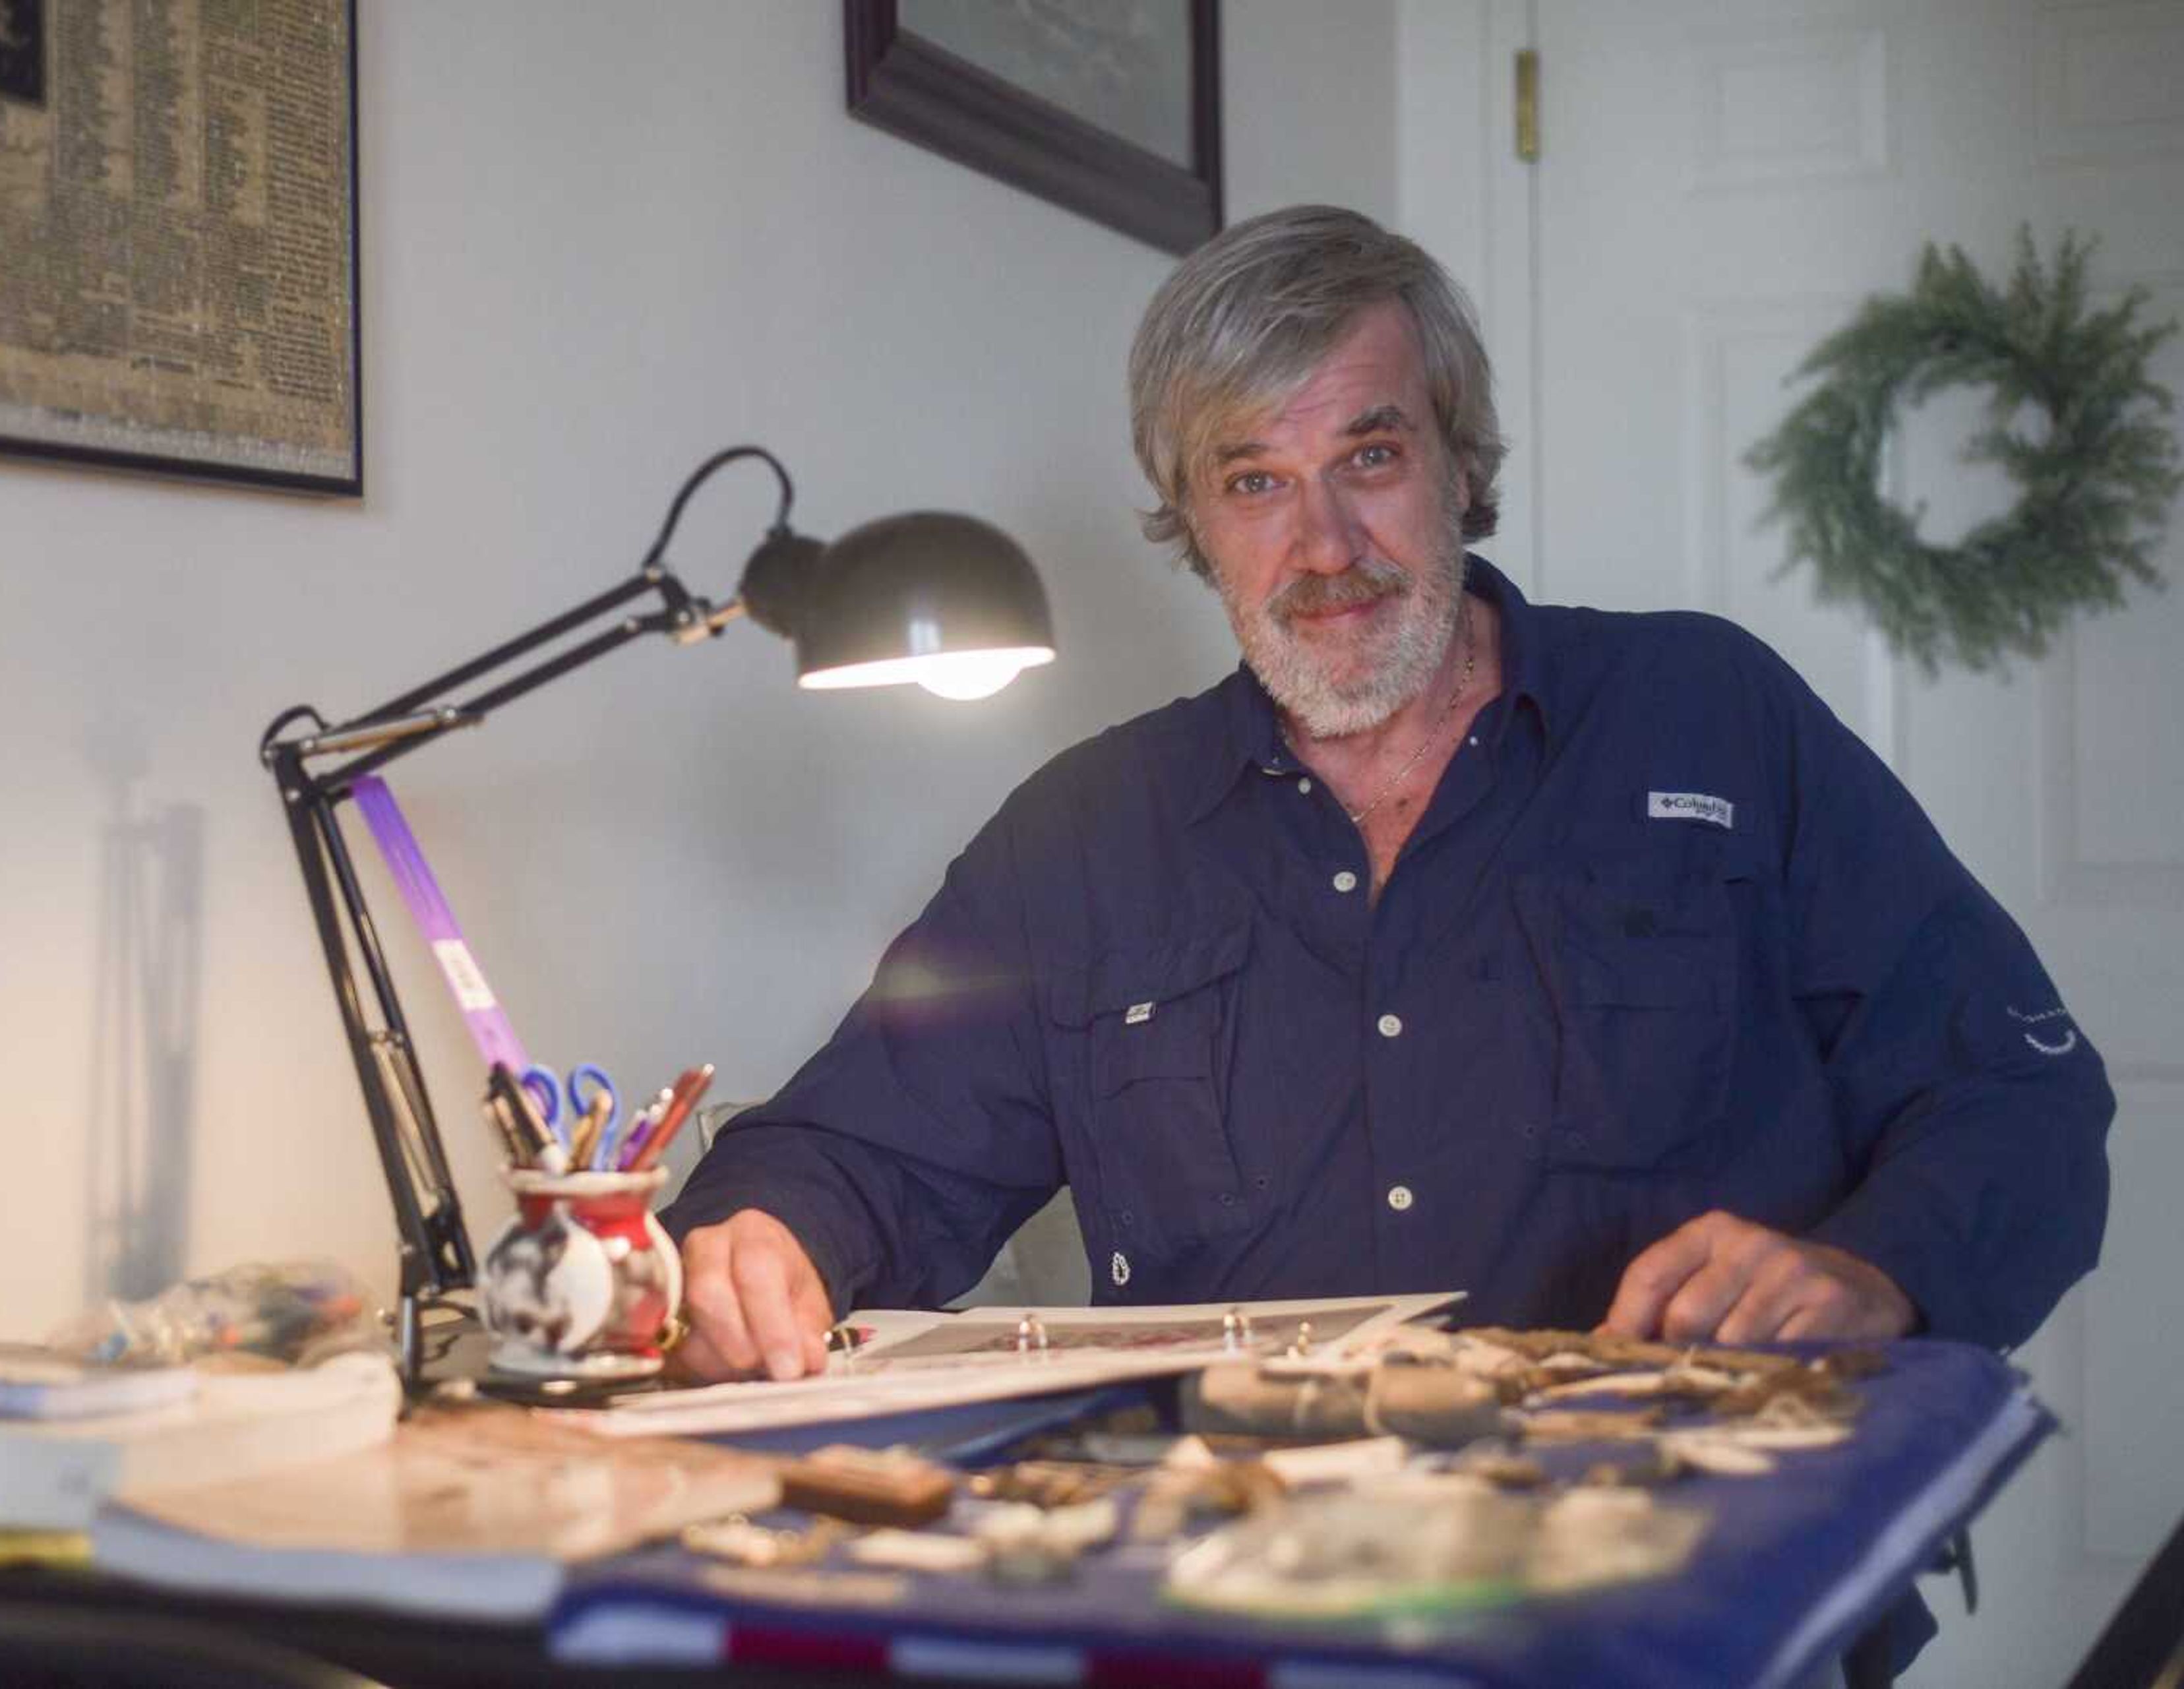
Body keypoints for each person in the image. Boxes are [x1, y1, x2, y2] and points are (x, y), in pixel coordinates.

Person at [660, 204, 2114, 1389]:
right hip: (1233, 1592)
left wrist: (1874, 1269)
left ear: (1460, 463)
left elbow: (2014, 1089)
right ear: (1193, 525)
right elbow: (855, 1146)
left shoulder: (1711, 721)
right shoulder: (1081, 841)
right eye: (1253, 482)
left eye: (1368, 454)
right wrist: (756, 1241)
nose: (1325, 544)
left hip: (1686, 1559)